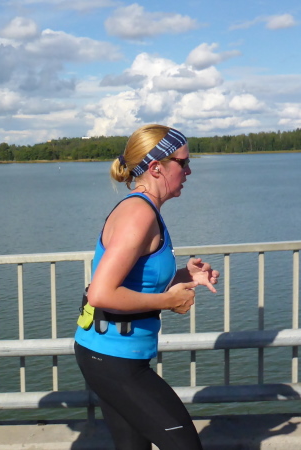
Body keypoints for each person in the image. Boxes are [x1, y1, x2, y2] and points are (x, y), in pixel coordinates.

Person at [74, 124, 220, 450]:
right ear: (156, 167)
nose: (189, 170)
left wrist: (183, 276)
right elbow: (101, 293)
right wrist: (169, 301)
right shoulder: (138, 215)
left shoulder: (145, 209)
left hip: (112, 354)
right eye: (183, 162)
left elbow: (138, 280)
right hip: (112, 358)